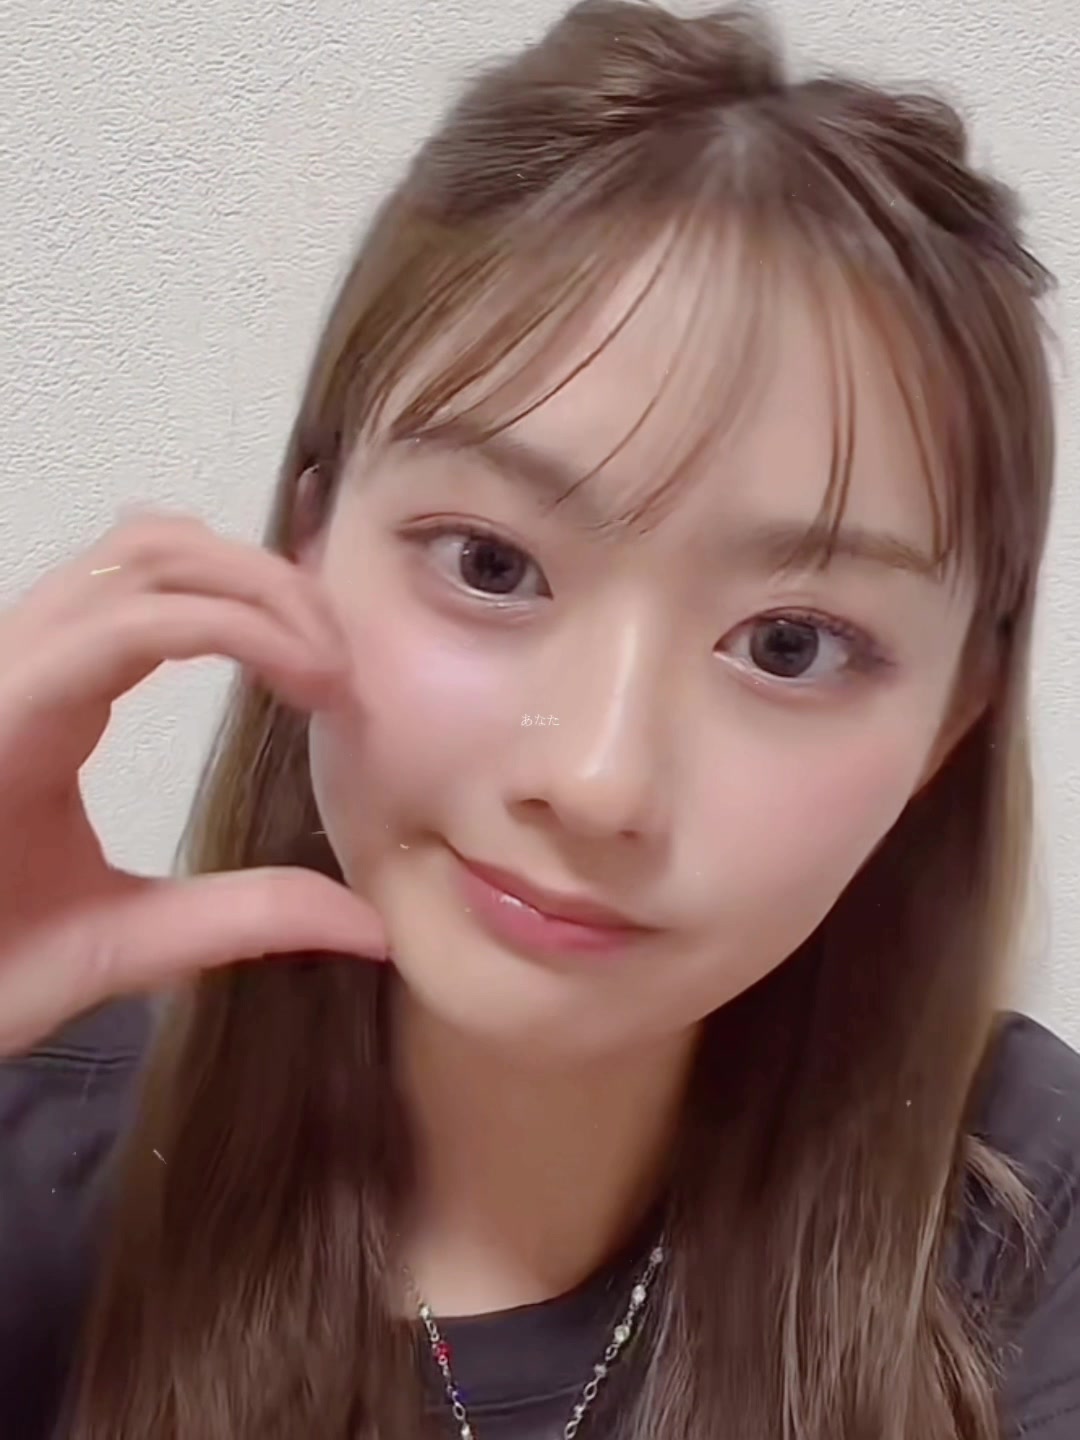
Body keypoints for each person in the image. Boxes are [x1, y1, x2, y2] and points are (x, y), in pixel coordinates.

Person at [1, 1, 1078, 1437]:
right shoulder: (36, 1158)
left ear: (950, 727)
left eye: (790, 644)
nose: (598, 779)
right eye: (492, 565)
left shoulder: (1025, 1208)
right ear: (312, 543)